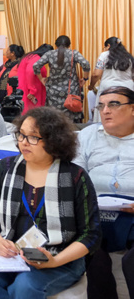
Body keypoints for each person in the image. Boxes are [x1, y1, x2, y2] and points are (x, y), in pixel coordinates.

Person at [0, 106, 101, 298]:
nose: (24, 143)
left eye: (33, 137)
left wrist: (54, 262)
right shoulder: (6, 168)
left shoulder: (75, 177)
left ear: (54, 141)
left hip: (60, 255)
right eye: (21, 135)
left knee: (25, 286)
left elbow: (90, 235)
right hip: (10, 250)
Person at [74, 86, 134, 298]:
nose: (105, 110)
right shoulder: (88, 135)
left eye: (114, 104)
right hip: (94, 210)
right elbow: (75, 176)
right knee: (90, 252)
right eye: (101, 105)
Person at [33, 36, 90, 122]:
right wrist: (85, 78)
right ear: (69, 45)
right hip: (71, 91)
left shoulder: (49, 54)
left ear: (56, 45)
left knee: (54, 117)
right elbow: (85, 64)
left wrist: (41, 79)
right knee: (71, 119)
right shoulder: (74, 53)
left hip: (53, 91)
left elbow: (36, 66)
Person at [88, 37, 134, 122]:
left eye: (104, 47)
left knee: (106, 115)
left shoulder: (104, 55)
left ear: (108, 46)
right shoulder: (129, 57)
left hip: (108, 89)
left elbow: (96, 74)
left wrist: (91, 86)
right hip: (128, 90)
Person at [17, 44, 53, 114]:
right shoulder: (35, 58)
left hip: (27, 90)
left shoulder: (30, 56)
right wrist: (32, 91)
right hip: (31, 93)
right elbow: (30, 71)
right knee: (33, 116)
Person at [0, 44, 24, 109]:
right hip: (2, 92)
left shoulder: (19, 64)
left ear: (12, 53)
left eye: (8, 50)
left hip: (12, 93)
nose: (6, 52)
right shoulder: (6, 64)